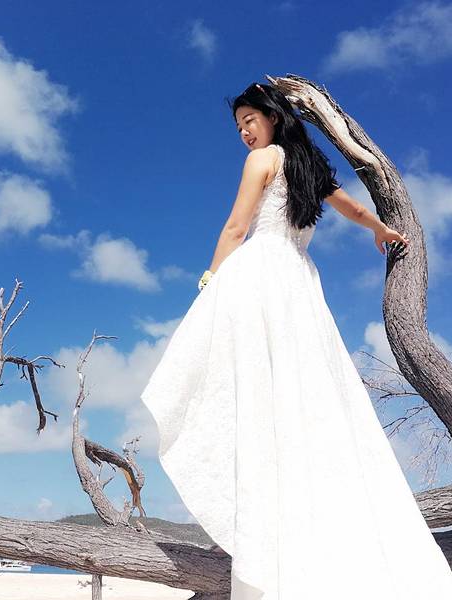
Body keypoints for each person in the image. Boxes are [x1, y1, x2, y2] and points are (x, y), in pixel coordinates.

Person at [140, 82, 452, 600]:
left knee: (249, 387)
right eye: (238, 126)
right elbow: (351, 208)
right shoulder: (307, 168)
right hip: (299, 283)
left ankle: (271, 527)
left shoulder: (263, 160)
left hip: (263, 274)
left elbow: (237, 227)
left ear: (273, 116)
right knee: (302, 395)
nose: (244, 133)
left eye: (249, 120)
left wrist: (210, 280)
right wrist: (380, 229)